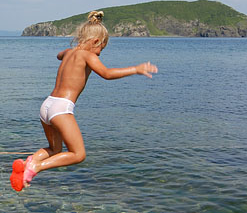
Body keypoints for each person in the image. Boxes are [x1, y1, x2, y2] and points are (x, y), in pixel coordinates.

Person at [10, 11, 157, 191]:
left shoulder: (69, 53)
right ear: (95, 41)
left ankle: (26, 164)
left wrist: (68, 52)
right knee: (78, 154)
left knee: (55, 149)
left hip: (46, 105)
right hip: (61, 108)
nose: (100, 54)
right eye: (101, 49)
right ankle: (36, 167)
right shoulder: (88, 56)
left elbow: (59, 55)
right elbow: (107, 74)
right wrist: (136, 69)